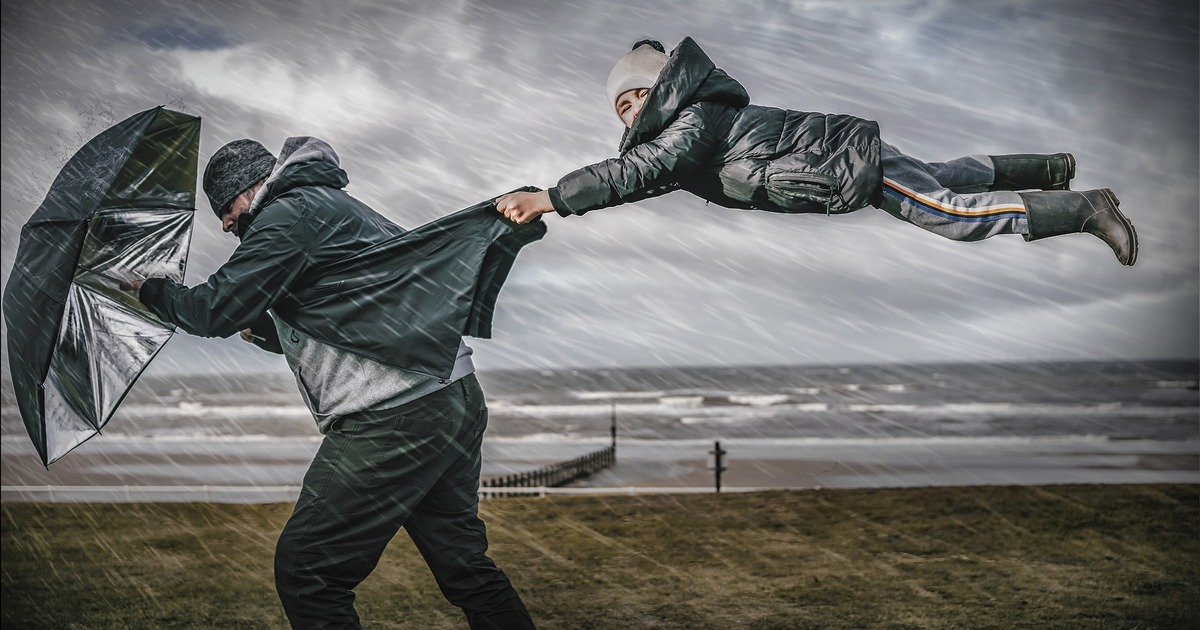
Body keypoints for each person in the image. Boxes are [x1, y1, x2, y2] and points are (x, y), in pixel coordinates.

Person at [131, 136, 542, 629]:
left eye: (224, 207)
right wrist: (265, 328)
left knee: (307, 570)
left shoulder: (288, 214)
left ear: (249, 190)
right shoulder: (329, 206)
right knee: (464, 566)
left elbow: (210, 308)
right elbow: (353, 306)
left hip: (393, 412)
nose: (224, 223)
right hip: (452, 395)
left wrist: (148, 289)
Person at [495, 37, 1137, 266]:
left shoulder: (689, 121)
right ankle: (1051, 171)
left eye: (634, 97)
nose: (630, 112)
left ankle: (1084, 209)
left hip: (843, 165)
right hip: (846, 153)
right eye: (621, 109)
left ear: (662, 86)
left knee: (954, 216)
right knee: (943, 176)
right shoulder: (689, 132)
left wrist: (551, 197)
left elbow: (639, 169)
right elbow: (643, 178)